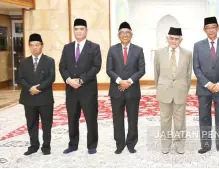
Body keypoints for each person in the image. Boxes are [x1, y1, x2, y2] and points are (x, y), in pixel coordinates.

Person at [59, 18, 102, 154]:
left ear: (86, 31)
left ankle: (92, 145)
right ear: (73, 31)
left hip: (88, 90)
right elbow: (62, 66)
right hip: (71, 90)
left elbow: (96, 66)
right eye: (76, 29)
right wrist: (68, 80)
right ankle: (73, 144)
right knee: (72, 118)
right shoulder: (67, 47)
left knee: (90, 118)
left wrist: (81, 80)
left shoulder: (94, 47)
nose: (79, 31)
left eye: (81, 29)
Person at [193, 16, 219, 155]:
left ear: (218, 28)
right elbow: (196, 68)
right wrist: (208, 84)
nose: (211, 30)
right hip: (204, 88)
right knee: (204, 117)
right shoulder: (198, 46)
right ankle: (205, 144)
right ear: (204, 30)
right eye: (208, 28)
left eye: (213, 27)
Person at [106, 21, 145, 154]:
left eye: (127, 32)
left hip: (132, 90)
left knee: (133, 119)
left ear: (131, 34)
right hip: (116, 90)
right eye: (122, 33)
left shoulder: (138, 50)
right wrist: (119, 81)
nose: (125, 35)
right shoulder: (112, 49)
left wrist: (128, 81)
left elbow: (141, 70)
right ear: (118, 35)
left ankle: (131, 143)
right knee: (117, 118)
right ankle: (120, 143)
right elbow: (109, 69)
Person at [154, 27, 192, 154]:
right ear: (167, 38)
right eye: (171, 38)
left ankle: (180, 143)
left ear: (180, 40)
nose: (174, 41)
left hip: (180, 91)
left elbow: (188, 75)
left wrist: (184, 90)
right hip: (164, 90)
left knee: (180, 120)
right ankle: (165, 143)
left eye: (176, 39)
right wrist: (160, 87)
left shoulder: (187, 54)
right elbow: (156, 73)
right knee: (165, 119)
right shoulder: (159, 53)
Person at [18, 33, 55, 155]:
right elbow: (20, 78)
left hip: (45, 98)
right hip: (29, 98)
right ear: (29, 46)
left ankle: (46, 146)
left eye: (37, 45)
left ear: (42, 46)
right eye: (32, 45)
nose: (34, 47)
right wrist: (30, 88)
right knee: (31, 123)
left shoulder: (49, 61)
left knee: (46, 123)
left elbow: (51, 78)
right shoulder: (23, 62)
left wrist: (38, 88)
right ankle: (34, 145)